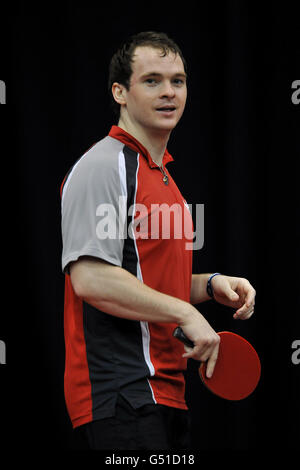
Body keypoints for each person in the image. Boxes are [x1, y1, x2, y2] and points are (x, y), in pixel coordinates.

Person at [60, 31, 256, 451]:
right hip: (118, 393)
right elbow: (92, 278)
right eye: (152, 80)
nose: (169, 92)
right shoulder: (104, 166)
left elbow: (141, 281)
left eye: (178, 81)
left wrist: (208, 284)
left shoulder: (164, 179)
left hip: (166, 394)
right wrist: (184, 311)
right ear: (120, 92)